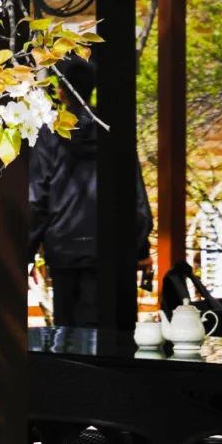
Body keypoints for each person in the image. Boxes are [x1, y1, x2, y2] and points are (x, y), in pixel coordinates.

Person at [29, 54, 153, 327]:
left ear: (61, 91)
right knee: (111, 331)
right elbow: (135, 194)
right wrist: (141, 246)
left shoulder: (50, 134)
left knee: (69, 331)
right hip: (110, 248)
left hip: (64, 249)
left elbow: (37, 198)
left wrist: (26, 249)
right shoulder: (113, 130)